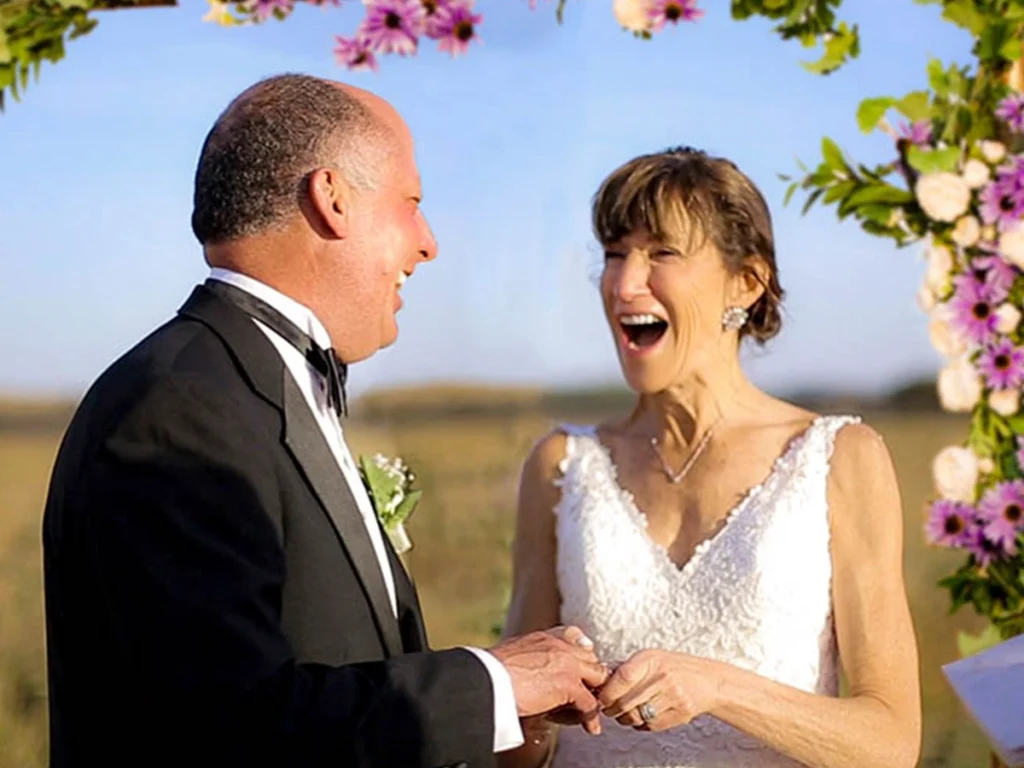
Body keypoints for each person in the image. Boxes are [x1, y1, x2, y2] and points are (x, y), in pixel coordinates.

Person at [41, 73, 608, 768]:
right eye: (413, 203)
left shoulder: (245, 383)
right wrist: (492, 684)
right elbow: (230, 724)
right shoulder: (180, 408)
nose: (428, 243)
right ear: (333, 198)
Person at [500, 147, 922, 768]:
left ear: (746, 283)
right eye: (614, 254)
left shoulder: (839, 459)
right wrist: (534, 711)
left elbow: (890, 744)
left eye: (661, 253)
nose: (623, 282)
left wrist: (719, 687)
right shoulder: (561, 466)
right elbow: (519, 752)